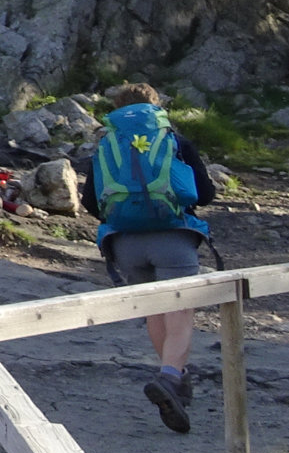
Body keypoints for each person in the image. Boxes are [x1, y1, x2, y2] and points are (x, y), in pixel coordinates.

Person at [75, 82, 216, 433]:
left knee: (155, 311)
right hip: (173, 239)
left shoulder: (108, 144)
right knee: (179, 312)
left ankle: (175, 380)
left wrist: (128, 215)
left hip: (125, 244)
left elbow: (91, 202)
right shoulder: (175, 141)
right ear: (157, 107)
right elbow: (205, 193)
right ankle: (170, 377)